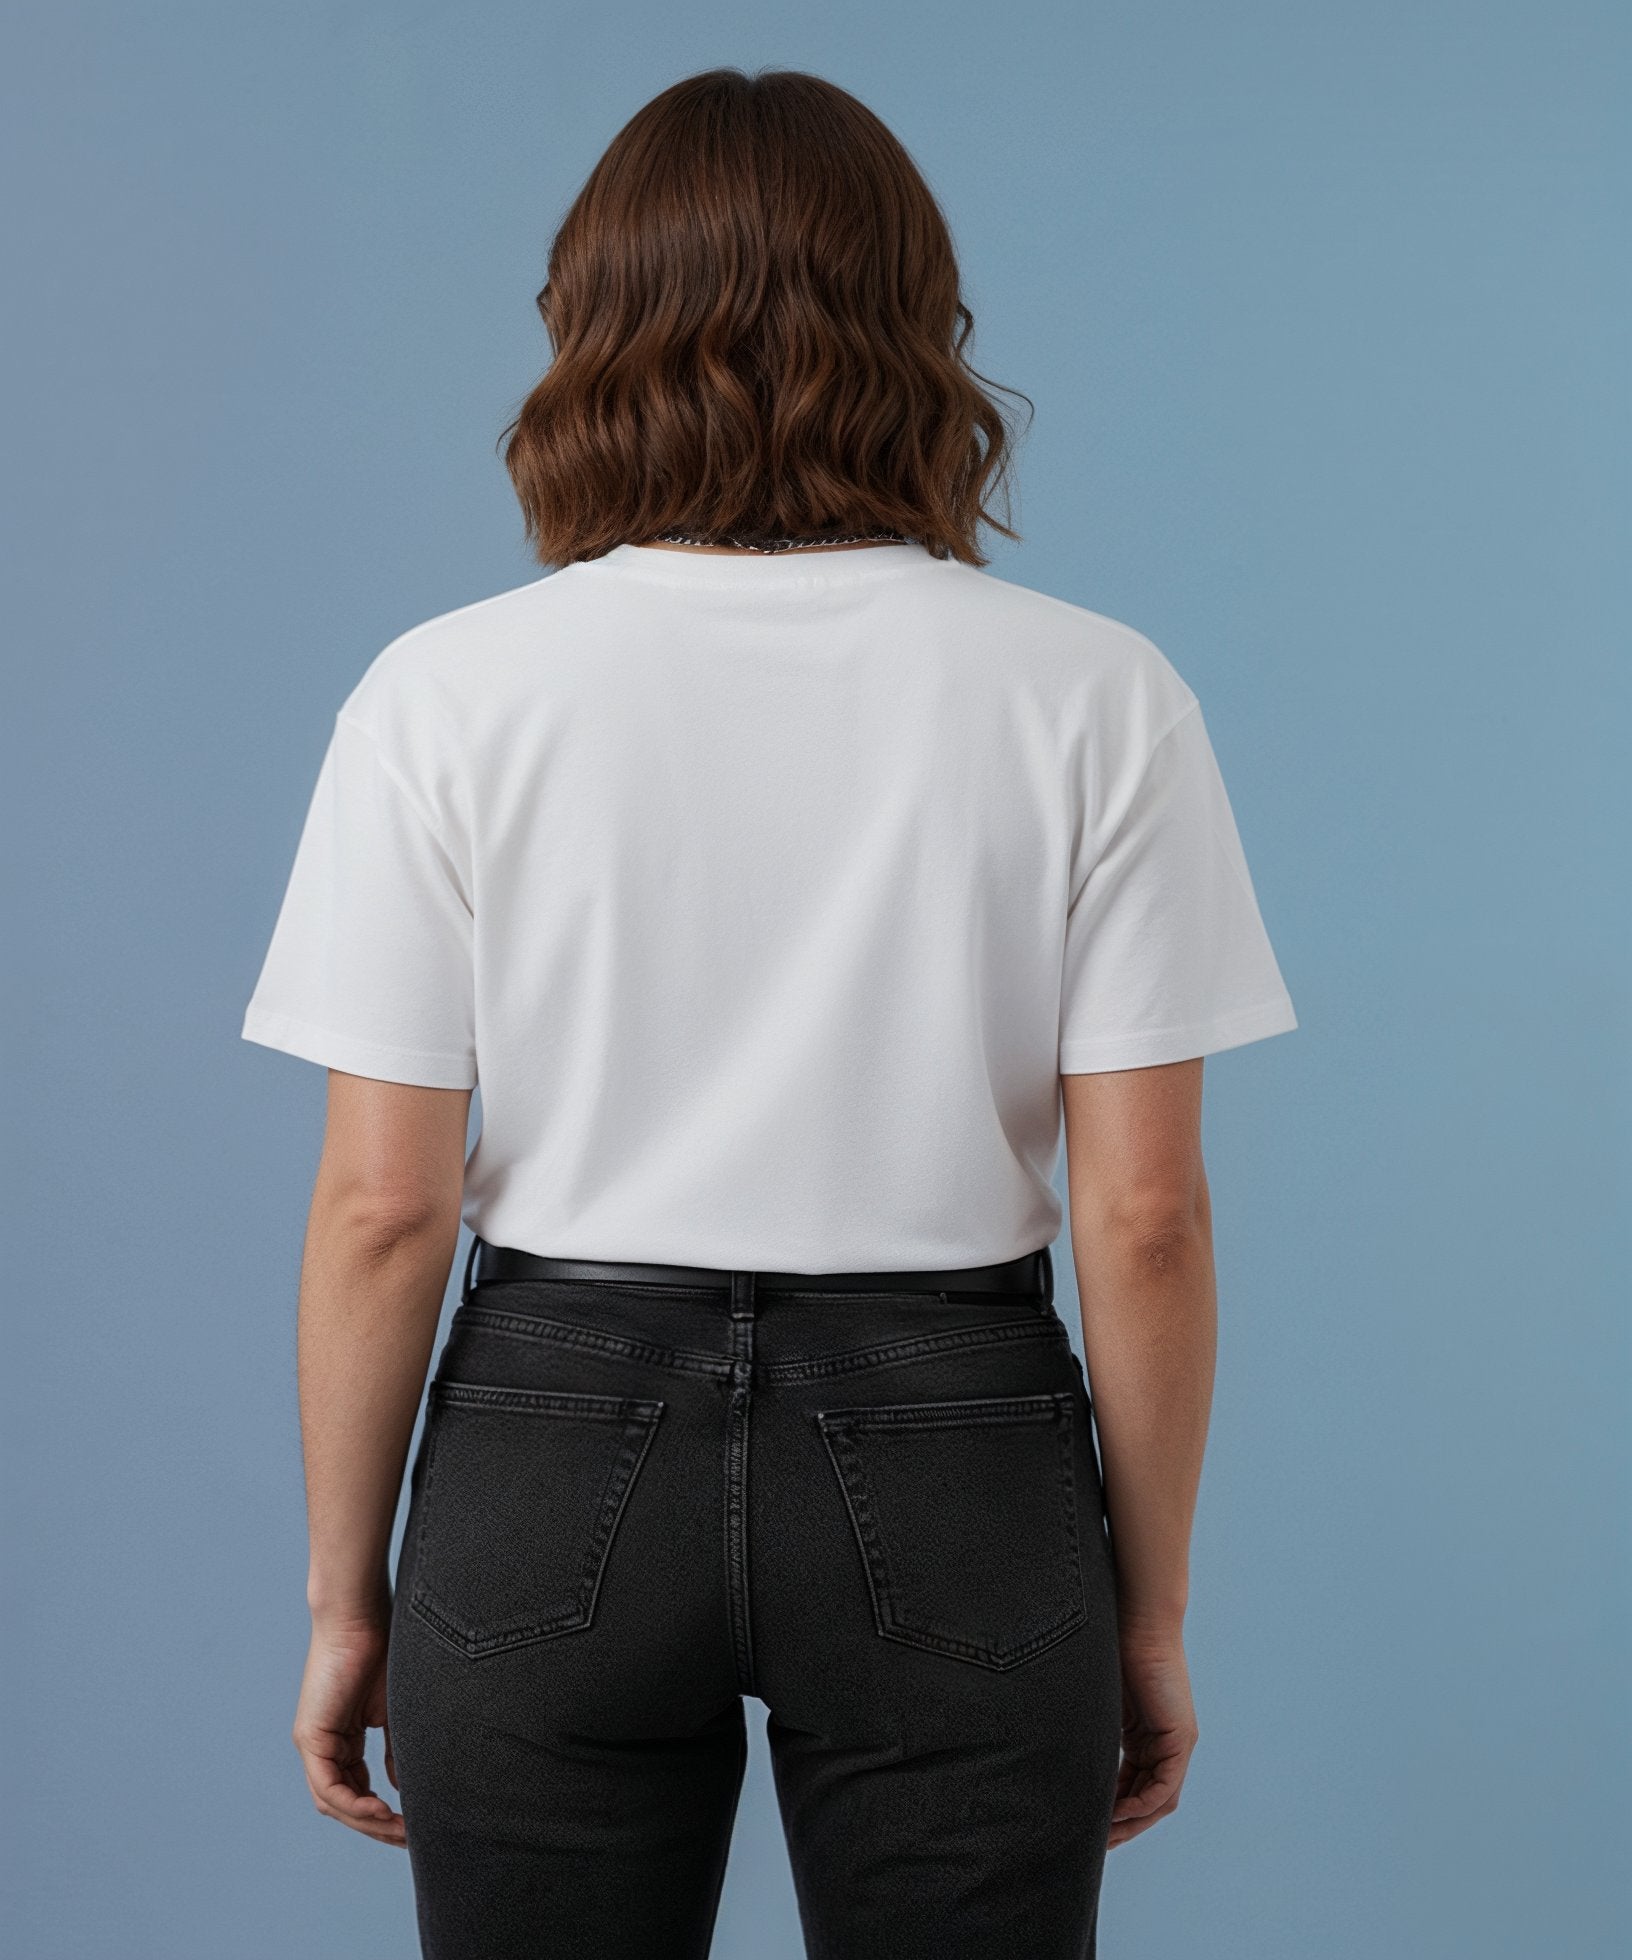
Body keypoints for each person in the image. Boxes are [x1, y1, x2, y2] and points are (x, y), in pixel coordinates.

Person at [241, 65, 1298, 1960]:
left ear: (591, 327)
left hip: (546, 1450)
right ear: (917, 328)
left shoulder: (446, 697)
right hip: (959, 1450)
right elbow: (1146, 1216)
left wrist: (347, 1596)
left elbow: (381, 1206)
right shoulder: (1093, 694)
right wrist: (1148, 1612)